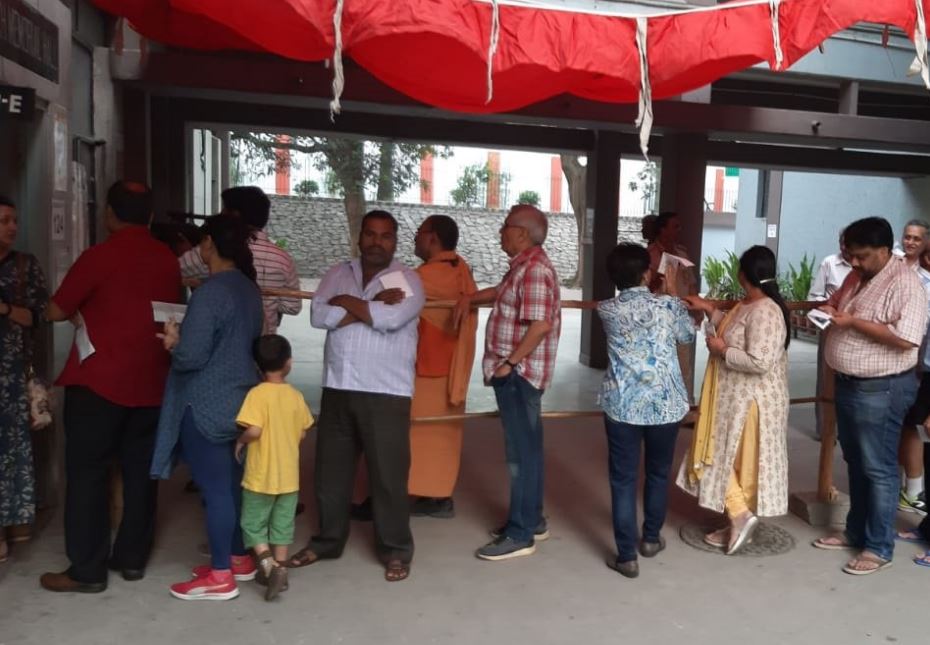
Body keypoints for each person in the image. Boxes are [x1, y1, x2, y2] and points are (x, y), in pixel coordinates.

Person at [40, 182, 181, 593]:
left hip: (98, 383)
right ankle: (132, 560)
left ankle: (87, 569)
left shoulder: (98, 257)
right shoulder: (167, 260)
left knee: (87, 475)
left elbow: (53, 310)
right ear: (151, 217)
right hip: (152, 382)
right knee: (140, 473)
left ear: (109, 214)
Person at [287, 210, 424, 582]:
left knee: (389, 477)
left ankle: (396, 549)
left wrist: (345, 305)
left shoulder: (408, 280)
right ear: (359, 237)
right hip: (338, 385)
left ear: (395, 241)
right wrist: (360, 301)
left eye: (385, 236)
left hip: (386, 391)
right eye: (370, 234)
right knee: (331, 472)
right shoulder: (337, 273)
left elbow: (390, 319)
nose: (376, 242)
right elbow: (317, 315)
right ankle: (328, 540)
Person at [150, 213, 264, 600]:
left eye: (201, 242)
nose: (199, 248)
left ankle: (219, 576)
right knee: (230, 486)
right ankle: (237, 558)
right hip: (239, 399)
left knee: (215, 491)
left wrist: (172, 342)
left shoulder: (211, 293)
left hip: (204, 403)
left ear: (211, 244)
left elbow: (191, 357)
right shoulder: (248, 289)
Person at [813, 217, 928, 575]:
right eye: (851, 256)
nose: (856, 263)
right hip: (849, 382)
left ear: (883, 250)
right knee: (856, 461)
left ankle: (879, 546)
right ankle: (855, 531)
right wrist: (830, 310)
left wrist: (853, 324)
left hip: (882, 386)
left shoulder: (907, 284)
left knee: (878, 467)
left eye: (862, 256)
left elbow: (906, 339)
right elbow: (839, 303)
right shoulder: (857, 276)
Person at [455, 204, 561, 561]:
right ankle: (531, 520)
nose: (500, 232)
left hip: (518, 375)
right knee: (527, 451)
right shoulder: (523, 269)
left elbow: (540, 324)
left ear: (522, 233)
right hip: (517, 374)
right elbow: (500, 292)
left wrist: (509, 364)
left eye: (505, 227)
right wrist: (469, 298)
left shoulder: (533, 270)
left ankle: (520, 534)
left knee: (521, 457)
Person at [677, 246, 791, 556]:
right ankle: (737, 518)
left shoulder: (767, 310)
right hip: (732, 399)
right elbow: (731, 322)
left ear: (744, 274)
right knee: (726, 457)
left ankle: (739, 514)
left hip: (750, 403)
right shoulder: (747, 304)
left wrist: (721, 350)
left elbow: (760, 361)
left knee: (721, 456)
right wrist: (707, 308)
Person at [597, 243, 694, 578]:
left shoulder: (606, 309)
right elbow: (687, 337)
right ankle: (651, 538)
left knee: (622, 480)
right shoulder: (667, 307)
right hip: (665, 405)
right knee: (657, 472)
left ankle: (626, 556)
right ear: (646, 273)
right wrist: (671, 294)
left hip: (622, 404)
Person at [406, 215, 478, 518]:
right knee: (444, 432)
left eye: (419, 233)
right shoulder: (459, 268)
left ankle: (426, 495)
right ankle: (437, 495)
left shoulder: (426, 277)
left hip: (430, 366)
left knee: (421, 432)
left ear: (433, 238)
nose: (415, 239)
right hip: (450, 366)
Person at [235, 335, 314, 601]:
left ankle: (267, 565)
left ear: (258, 366)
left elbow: (254, 429)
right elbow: (303, 432)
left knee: (252, 523)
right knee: (282, 525)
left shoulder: (257, 394)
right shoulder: (295, 395)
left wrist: (240, 440)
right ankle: (281, 570)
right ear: (289, 362)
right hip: (288, 478)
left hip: (260, 477)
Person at [178, 186, 301, 334]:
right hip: (264, 347)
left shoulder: (213, 249)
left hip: (221, 343)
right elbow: (293, 306)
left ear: (234, 215)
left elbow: (176, 271)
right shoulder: (282, 259)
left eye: (224, 209)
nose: (221, 213)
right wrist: (269, 303)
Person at [0, 195, 48, 563]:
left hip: (13, 375)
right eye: (4, 221)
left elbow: (37, 316)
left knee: (14, 448)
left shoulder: (24, 267)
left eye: (14, 220)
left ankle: (16, 519)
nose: (12, 227)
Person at [896, 219, 930, 513]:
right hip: (889, 358)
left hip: (917, 361)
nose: (910, 242)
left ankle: (914, 488)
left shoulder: (925, 278)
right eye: (907, 237)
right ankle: (903, 486)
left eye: (917, 239)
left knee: (914, 425)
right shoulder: (891, 264)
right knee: (900, 424)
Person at [647, 211, 698, 402]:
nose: (679, 230)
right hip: (658, 318)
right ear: (662, 229)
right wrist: (661, 275)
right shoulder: (649, 255)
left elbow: (691, 283)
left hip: (682, 314)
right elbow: (646, 288)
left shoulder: (682, 252)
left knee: (684, 362)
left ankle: (684, 405)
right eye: (674, 226)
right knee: (660, 362)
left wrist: (697, 309)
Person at [808, 231, 853, 441]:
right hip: (830, 326)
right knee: (825, 377)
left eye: (848, 243)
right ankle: (824, 430)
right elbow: (814, 295)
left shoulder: (864, 266)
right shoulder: (830, 263)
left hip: (854, 331)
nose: (844, 247)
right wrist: (825, 306)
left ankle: (846, 429)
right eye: (842, 243)